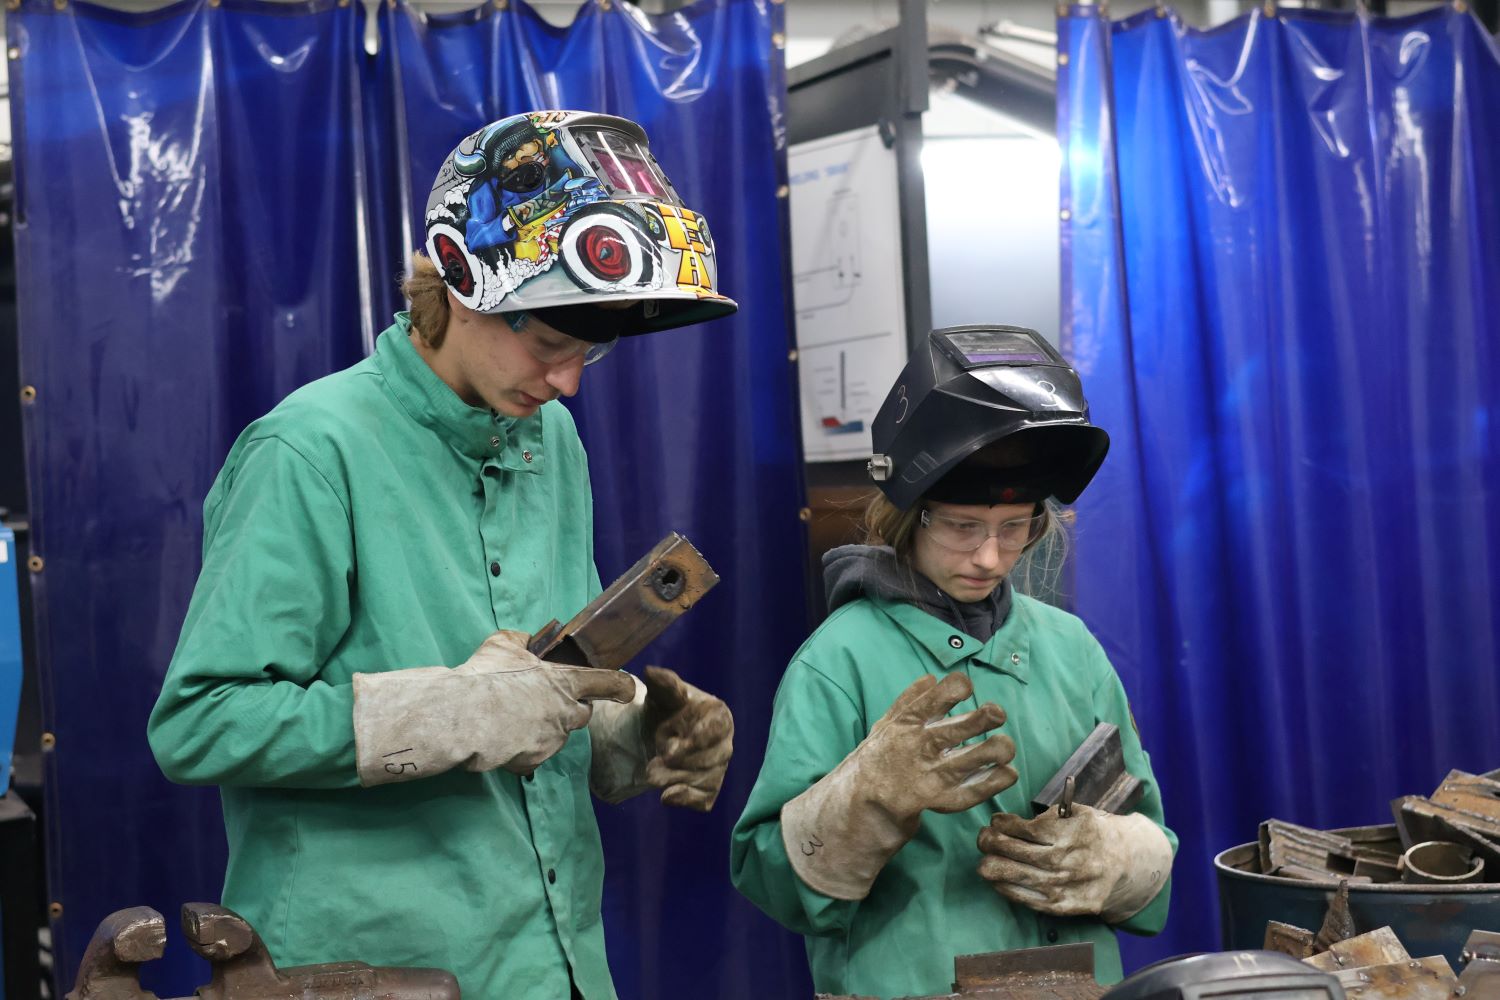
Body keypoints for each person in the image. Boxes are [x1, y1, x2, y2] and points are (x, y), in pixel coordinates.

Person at [148, 110, 738, 1000]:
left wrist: (632, 734)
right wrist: (447, 713)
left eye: (591, 348)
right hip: (371, 970)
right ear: (459, 278)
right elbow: (200, 723)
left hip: (554, 966)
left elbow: (544, 689)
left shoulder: (552, 442)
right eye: (547, 342)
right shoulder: (311, 451)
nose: (569, 380)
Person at [731, 326, 1175, 999]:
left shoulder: (1072, 648)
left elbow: (1154, 840)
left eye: (1014, 527)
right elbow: (772, 883)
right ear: (910, 513)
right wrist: (865, 802)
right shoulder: (838, 661)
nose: (991, 558)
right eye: (963, 527)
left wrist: (1118, 856)